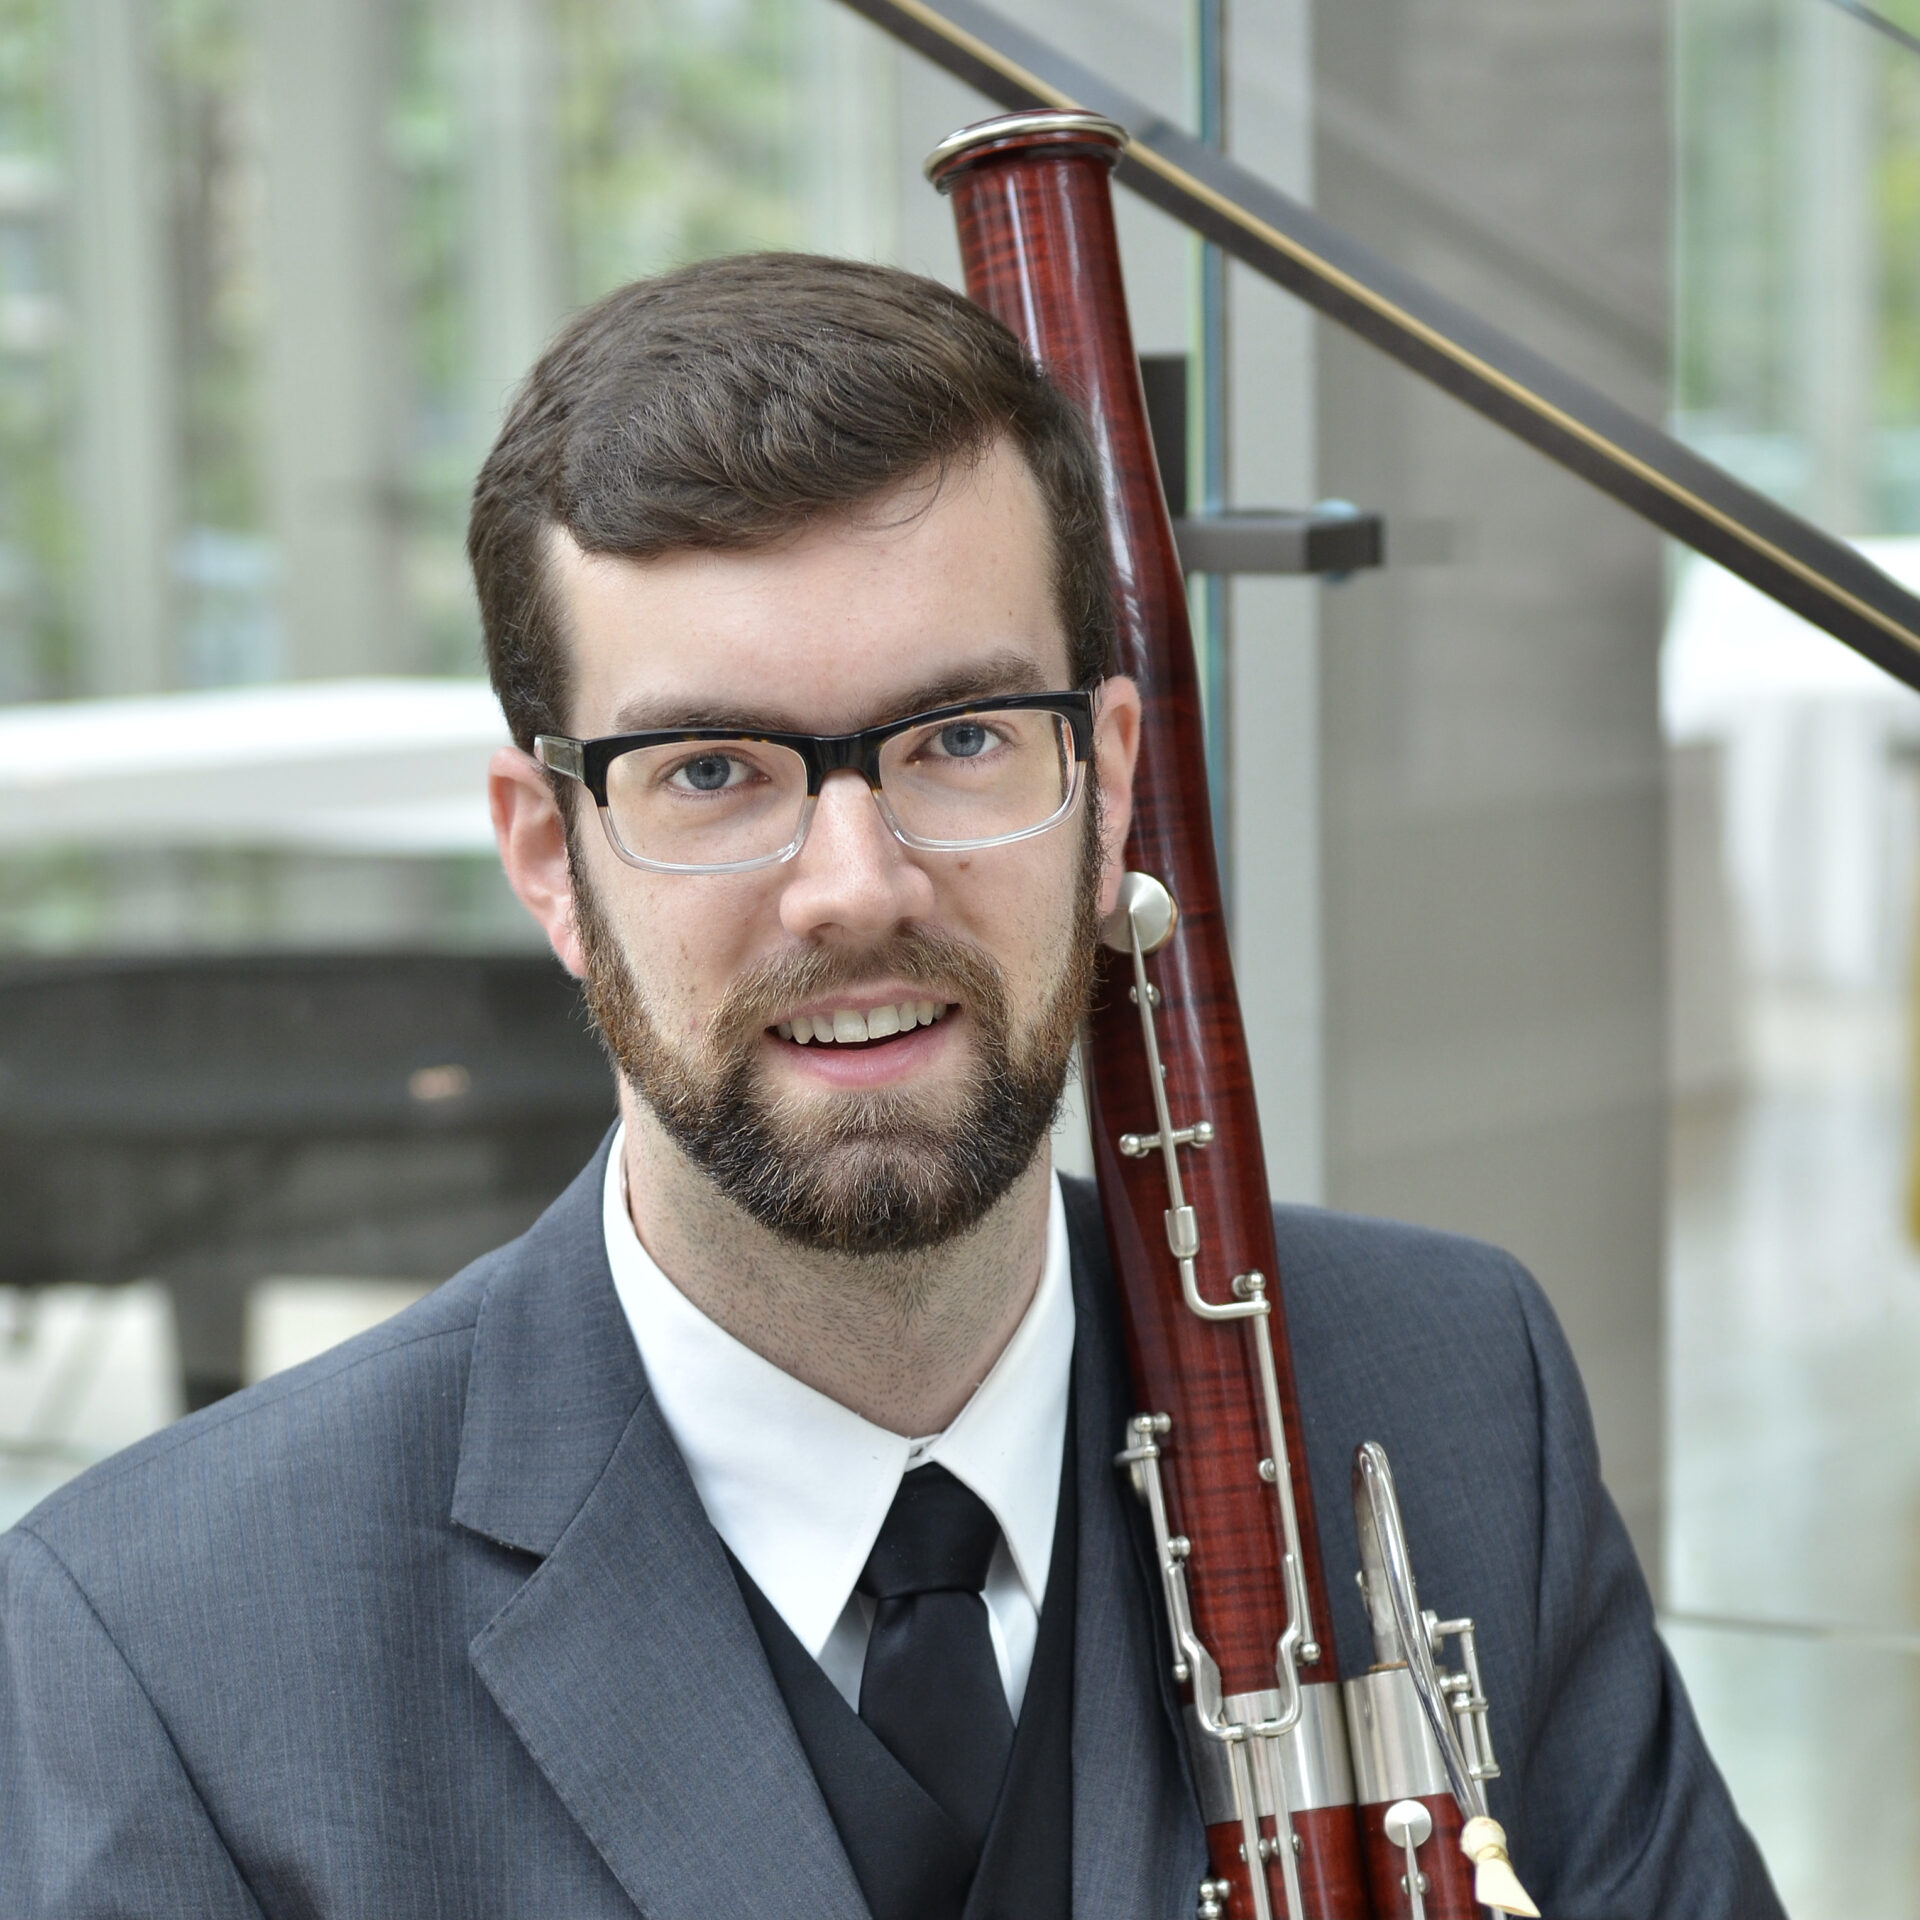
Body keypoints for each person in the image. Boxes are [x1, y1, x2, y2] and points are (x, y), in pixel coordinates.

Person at [0, 254, 1780, 1920]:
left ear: (1108, 787)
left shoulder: (1455, 1394)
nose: (856, 887)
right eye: (712, 770)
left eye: (962, 739)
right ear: (550, 856)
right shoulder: (165, 1646)